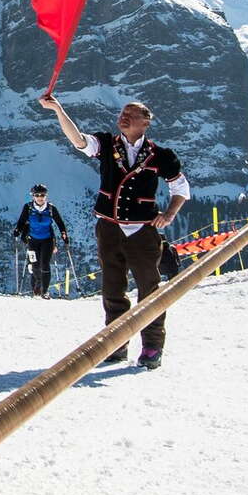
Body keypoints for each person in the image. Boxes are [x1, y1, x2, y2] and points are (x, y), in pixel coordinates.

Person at [41, 94, 189, 368]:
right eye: (122, 113)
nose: (123, 116)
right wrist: (58, 109)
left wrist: (168, 215)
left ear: (145, 122)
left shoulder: (161, 155)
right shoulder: (107, 144)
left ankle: (152, 347)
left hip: (143, 233)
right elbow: (78, 141)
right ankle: (116, 344)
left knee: (150, 290)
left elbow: (181, 188)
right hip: (108, 229)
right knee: (112, 289)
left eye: (131, 114)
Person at [13, 185, 66, 297]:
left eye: (42, 195)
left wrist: (63, 234)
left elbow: (60, 223)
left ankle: (45, 292)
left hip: (47, 240)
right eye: (37, 195)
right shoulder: (28, 207)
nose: (40, 197)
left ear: (45, 196)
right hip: (32, 240)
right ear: (33, 196)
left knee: (45, 264)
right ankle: (37, 288)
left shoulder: (51, 208)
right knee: (35, 265)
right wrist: (18, 230)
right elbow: (22, 221)